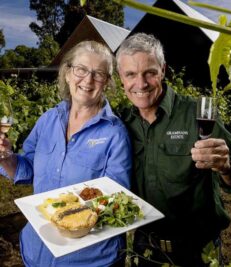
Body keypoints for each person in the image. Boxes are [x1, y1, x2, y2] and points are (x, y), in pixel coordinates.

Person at [116, 33, 231, 267]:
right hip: (145, 250)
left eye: (149, 72)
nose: (141, 84)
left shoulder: (196, 115)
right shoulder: (121, 122)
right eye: (131, 74)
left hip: (197, 253)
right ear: (121, 78)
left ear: (163, 70)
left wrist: (226, 165)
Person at [0, 40, 132, 267]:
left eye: (98, 74)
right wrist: (7, 157)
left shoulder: (115, 133)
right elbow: (27, 169)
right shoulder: (48, 120)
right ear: (68, 73)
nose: (88, 80)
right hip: (37, 250)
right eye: (80, 69)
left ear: (107, 82)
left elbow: (114, 200)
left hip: (87, 259)